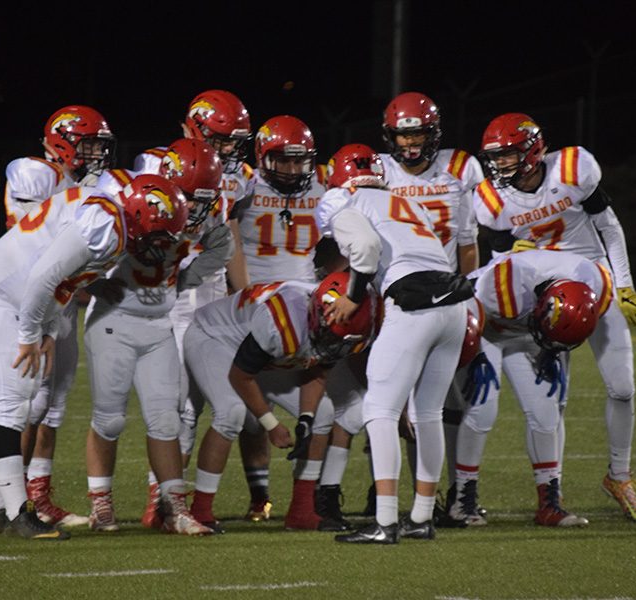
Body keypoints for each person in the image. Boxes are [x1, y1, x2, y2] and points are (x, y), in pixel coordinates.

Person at [474, 113, 636, 523]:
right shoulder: (492, 199)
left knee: (623, 387)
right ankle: (552, 496)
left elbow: (608, 226)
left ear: (533, 151)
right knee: (555, 402)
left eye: (508, 155)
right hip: (545, 293)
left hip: (591, 279)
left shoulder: (573, 170)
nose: (499, 165)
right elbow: (501, 256)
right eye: (495, 158)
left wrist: (624, 284)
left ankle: (619, 476)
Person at [0, 179, 139, 540]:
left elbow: (64, 281)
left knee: (21, 404)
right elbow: (44, 275)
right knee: (9, 403)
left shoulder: (104, 213)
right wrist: (30, 334)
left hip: (4, 299)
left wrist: (49, 332)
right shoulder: (104, 221)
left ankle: (3, 512)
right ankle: (18, 515)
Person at [318, 143, 474, 544]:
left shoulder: (344, 200)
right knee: (429, 413)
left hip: (413, 300)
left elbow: (365, 251)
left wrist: (352, 296)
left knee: (380, 409)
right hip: (454, 304)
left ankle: (385, 521)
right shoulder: (403, 201)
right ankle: (422, 517)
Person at [82, 169, 228, 535]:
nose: (195, 207)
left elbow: (224, 244)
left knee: (166, 419)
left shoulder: (199, 218)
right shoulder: (129, 209)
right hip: (114, 321)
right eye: (190, 196)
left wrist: (188, 278)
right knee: (110, 417)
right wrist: (93, 282)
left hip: (158, 323)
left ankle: (173, 506)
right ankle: (101, 504)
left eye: (202, 198)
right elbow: (75, 248)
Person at [134, 91, 256, 524]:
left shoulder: (239, 174)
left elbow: (231, 239)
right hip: (173, 289)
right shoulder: (156, 163)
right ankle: (163, 499)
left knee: (200, 402)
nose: (229, 148)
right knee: (178, 400)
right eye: (221, 138)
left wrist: (244, 298)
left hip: (212, 290)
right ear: (194, 128)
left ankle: (170, 500)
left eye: (234, 140)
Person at [185, 272, 381, 532]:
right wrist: (271, 424)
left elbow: (317, 369)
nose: (332, 345)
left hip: (260, 353)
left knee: (322, 413)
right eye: (330, 336)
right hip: (214, 338)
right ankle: (200, 510)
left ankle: (301, 511)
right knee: (230, 412)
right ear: (316, 313)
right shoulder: (282, 319)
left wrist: (305, 420)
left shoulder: (336, 318)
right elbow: (241, 375)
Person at [4, 105, 116, 528]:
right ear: (63, 142)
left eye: (99, 146)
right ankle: (13, 501)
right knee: (27, 405)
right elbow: (39, 254)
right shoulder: (38, 175)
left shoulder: (75, 183)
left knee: (52, 405)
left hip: (62, 303)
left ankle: (39, 496)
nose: (95, 154)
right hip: (32, 303)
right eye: (88, 145)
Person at [452, 249, 614, 527]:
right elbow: (468, 309)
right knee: (482, 408)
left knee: (546, 412)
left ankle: (549, 504)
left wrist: (554, 344)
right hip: (486, 325)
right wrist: (474, 353)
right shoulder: (505, 283)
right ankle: (461, 500)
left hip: (531, 329)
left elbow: (571, 321)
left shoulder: (599, 284)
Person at [229, 114, 329, 520]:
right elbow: (230, 245)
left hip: (307, 309)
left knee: (322, 410)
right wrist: (241, 299)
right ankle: (259, 497)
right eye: (282, 160)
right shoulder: (244, 185)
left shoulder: (325, 184)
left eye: (298, 161)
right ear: (262, 156)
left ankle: (310, 501)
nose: (291, 169)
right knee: (245, 414)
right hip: (258, 305)